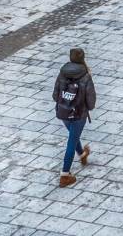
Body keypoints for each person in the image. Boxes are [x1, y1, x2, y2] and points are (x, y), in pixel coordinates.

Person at [53, 46, 97, 181]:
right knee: (71, 141)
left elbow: (55, 95)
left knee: (73, 134)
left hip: (63, 111)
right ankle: (65, 174)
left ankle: (82, 154)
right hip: (78, 113)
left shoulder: (62, 73)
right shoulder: (85, 76)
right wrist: (88, 108)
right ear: (83, 58)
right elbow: (91, 100)